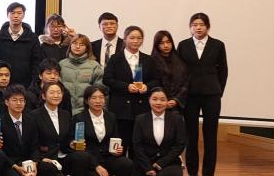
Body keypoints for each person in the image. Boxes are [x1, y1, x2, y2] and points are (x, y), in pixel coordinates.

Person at [178, 13, 228, 176]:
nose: (198, 27)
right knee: (191, 135)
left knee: (210, 135)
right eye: (194, 24)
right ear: (190, 27)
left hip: (211, 95)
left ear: (208, 26)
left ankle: (207, 175)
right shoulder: (183, 45)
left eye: (201, 24)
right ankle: (192, 174)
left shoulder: (218, 45)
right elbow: (180, 70)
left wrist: (218, 91)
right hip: (190, 95)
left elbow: (223, 71)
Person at [103, 25, 161, 159]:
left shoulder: (148, 59)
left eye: (139, 38)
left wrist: (147, 87)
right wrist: (126, 86)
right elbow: (107, 79)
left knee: (139, 145)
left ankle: (137, 171)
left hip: (141, 109)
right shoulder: (115, 58)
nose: (136, 41)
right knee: (120, 144)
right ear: (125, 39)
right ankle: (120, 170)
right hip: (121, 108)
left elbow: (157, 80)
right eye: (132, 38)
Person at [72, 85, 134, 176]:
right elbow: (80, 147)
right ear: (87, 100)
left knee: (126, 163)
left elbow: (116, 138)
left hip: (108, 158)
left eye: (101, 97)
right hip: (90, 162)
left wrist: (117, 150)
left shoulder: (111, 116)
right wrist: (96, 166)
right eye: (94, 98)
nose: (98, 101)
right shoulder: (79, 118)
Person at [21, 81, 74, 176]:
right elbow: (31, 142)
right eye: (52, 92)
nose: (56, 95)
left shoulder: (65, 114)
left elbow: (67, 138)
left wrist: (71, 143)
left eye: (59, 92)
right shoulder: (34, 115)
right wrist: (40, 158)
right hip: (44, 158)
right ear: (44, 96)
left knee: (81, 157)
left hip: (61, 156)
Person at [132, 88, 186, 176]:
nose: (158, 103)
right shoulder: (140, 119)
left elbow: (180, 144)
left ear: (167, 101)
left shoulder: (177, 119)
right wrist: (147, 167)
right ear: (149, 100)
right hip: (145, 163)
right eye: (155, 99)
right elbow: (137, 145)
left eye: (162, 99)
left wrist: (161, 163)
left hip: (168, 162)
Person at [0, 2, 42, 87]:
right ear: (7, 15)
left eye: (19, 13)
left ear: (23, 15)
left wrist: (33, 84)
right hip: (2, 84)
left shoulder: (32, 38)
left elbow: (36, 63)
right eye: (12, 13)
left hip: (25, 85)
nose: (16, 16)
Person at [0, 85, 33, 176]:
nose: (19, 103)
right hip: (8, 163)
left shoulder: (31, 120)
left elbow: (35, 145)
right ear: (7, 102)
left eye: (21, 100)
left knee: (47, 172)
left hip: (26, 161)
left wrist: (35, 163)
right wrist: (16, 167)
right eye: (15, 100)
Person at [60, 34, 103, 116]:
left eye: (82, 44)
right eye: (74, 43)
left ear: (87, 48)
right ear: (70, 45)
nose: (77, 47)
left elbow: (99, 89)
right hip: (64, 110)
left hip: (86, 111)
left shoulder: (94, 65)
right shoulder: (62, 64)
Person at [150, 30, 189, 113]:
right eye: (161, 43)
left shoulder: (180, 60)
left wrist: (176, 99)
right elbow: (154, 83)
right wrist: (163, 100)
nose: (166, 45)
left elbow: (186, 83)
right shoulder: (151, 61)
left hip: (177, 105)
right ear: (156, 45)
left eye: (168, 42)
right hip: (158, 104)